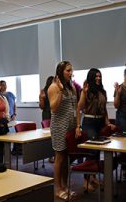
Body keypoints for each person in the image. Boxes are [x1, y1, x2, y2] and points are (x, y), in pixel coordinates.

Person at [76, 68, 115, 191]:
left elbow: (104, 109)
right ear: (91, 78)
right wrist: (83, 92)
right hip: (89, 122)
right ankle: (85, 181)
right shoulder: (86, 91)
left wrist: (108, 122)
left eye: (99, 76)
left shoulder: (102, 91)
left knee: (98, 151)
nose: (98, 78)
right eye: (96, 76)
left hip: (99, 122)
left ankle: (93, 177)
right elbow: (80, 108)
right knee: (91, 152)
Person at [48, 61, 78, 200]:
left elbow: (75, 107)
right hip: (59, 127)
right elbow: (53, 108)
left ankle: (66, 186)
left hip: (70, 126)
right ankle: (57, 188)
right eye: (68, 70)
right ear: (61, 71)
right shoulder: (54, 87)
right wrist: (60, 90)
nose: (71, 73)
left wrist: (78, 125)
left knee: (67, 158)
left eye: (71, 70)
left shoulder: (71, 86)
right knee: (59, 158)